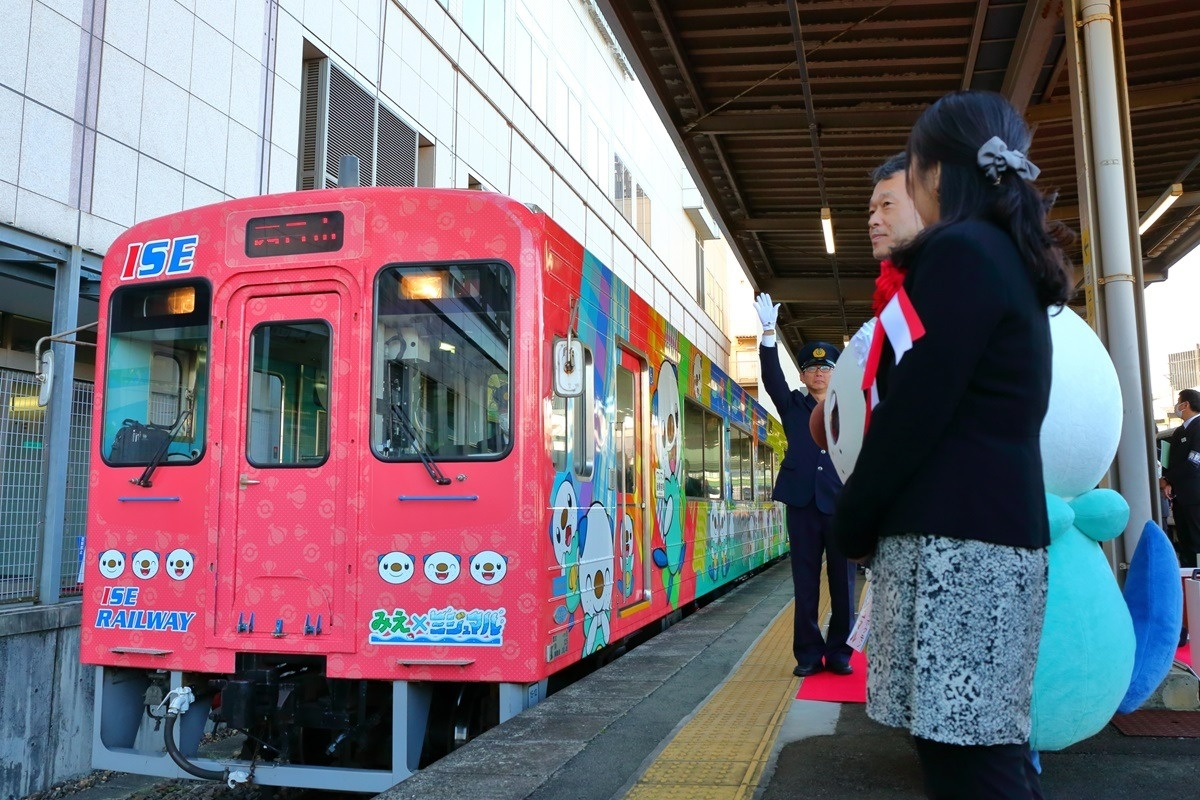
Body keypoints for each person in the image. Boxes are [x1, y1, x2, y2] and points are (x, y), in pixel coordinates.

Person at [832, 90, 1073, 799]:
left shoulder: (961, 253)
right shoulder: (1003, 257)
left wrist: (854, 517)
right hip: (987, 540)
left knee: (969, 763)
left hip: (957, 547)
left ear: (935, 174)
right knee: (974, 751)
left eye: (909, 170)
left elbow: (915, 408)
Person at [754, 299, 854, 678]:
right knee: (805, 581)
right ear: (803, 375)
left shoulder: (850, 406)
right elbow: (770, 378)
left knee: (843, 582)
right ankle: (809, 654)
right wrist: (767, 334)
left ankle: (840, 651)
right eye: (811, 368)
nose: (818, 374)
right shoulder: (792, 404)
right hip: (801, 502)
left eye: (826, 368)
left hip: (840, 502)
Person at [1162, 388, 1200, 570]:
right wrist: (1168, 481)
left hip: (1195, 498)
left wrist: (1167, 478)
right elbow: (1171, 461)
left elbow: (1194, 462)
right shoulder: (1178, 432)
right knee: (1184, 544)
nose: (1177, 406)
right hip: (1179, 499)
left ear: (1185, 404)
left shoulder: (1199, 427)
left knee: (1196, 543)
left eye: (1179, 401)